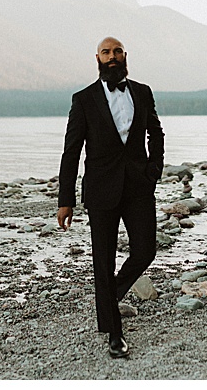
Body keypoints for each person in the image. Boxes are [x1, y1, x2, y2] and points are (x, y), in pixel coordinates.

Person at [55, 36, 162, 359]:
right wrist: (66, 199)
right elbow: (71, 151)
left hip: (139, 187)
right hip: (101, 190)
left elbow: (155, 132)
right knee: (103, 260)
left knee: (145, 250)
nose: (112, 57)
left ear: (125, 56)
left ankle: (108, 297)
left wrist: (153, 170)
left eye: (117, 52)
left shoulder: (142, 92)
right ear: (97, 58)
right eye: (106, 52)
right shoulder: (84, 99)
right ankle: (115, 334)